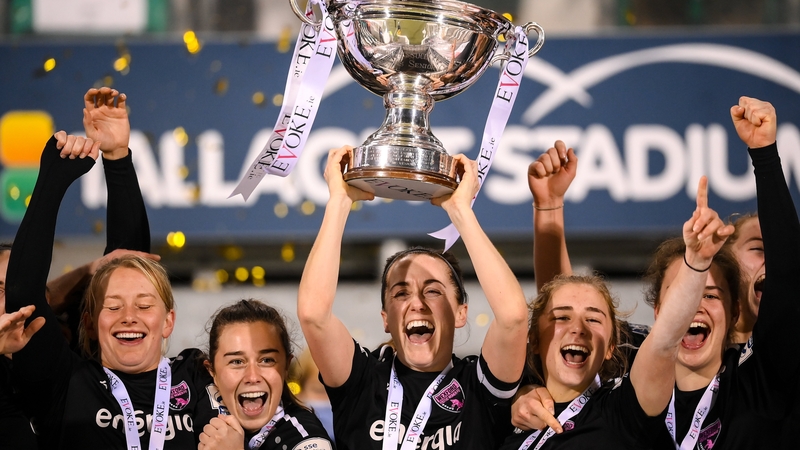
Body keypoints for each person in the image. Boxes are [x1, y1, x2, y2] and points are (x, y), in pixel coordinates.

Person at [516, 97, 800, 449]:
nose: (695, 304)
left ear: (735, 311)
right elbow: (565, 305)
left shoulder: (759, 376)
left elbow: (788, 279)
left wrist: (765, 155)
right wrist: (548, 208)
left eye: (710, 295)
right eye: (685, 291)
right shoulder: (634, 366)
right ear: (659, 311)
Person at [4, 87, 219, 448]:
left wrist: (118, 155)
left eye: (145, 305)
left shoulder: (197, 375)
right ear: (89, 321)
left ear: (168, 319)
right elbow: (24, 295)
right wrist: (52, 181)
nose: (129, 316)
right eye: (113, 306)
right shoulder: (65, 381)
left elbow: (129, 264)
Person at [296, 147, 529, 449]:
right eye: (401, 292)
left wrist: (461, 211)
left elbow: (513, 318)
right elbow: (314, 314)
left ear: (461, 313)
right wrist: (339, 202)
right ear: (386, 320)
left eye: (433, 290)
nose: (416, 302)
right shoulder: (363, 381)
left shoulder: (477, 385)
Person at [501, 171, 734, 449]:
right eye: (563, 317)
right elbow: (557, 293)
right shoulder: (509, 423)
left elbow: (663, 342)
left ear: (612, 345)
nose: (578, 328)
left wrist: (696, 264)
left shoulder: (619, 411)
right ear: (535, 340)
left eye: (593, 319)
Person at [199, 299, 334, 450]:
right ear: (212, 371)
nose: (252, 377)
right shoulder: (196, 426)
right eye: (237, 362)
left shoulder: (308, 442)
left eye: (266, 360)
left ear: (286, 366)